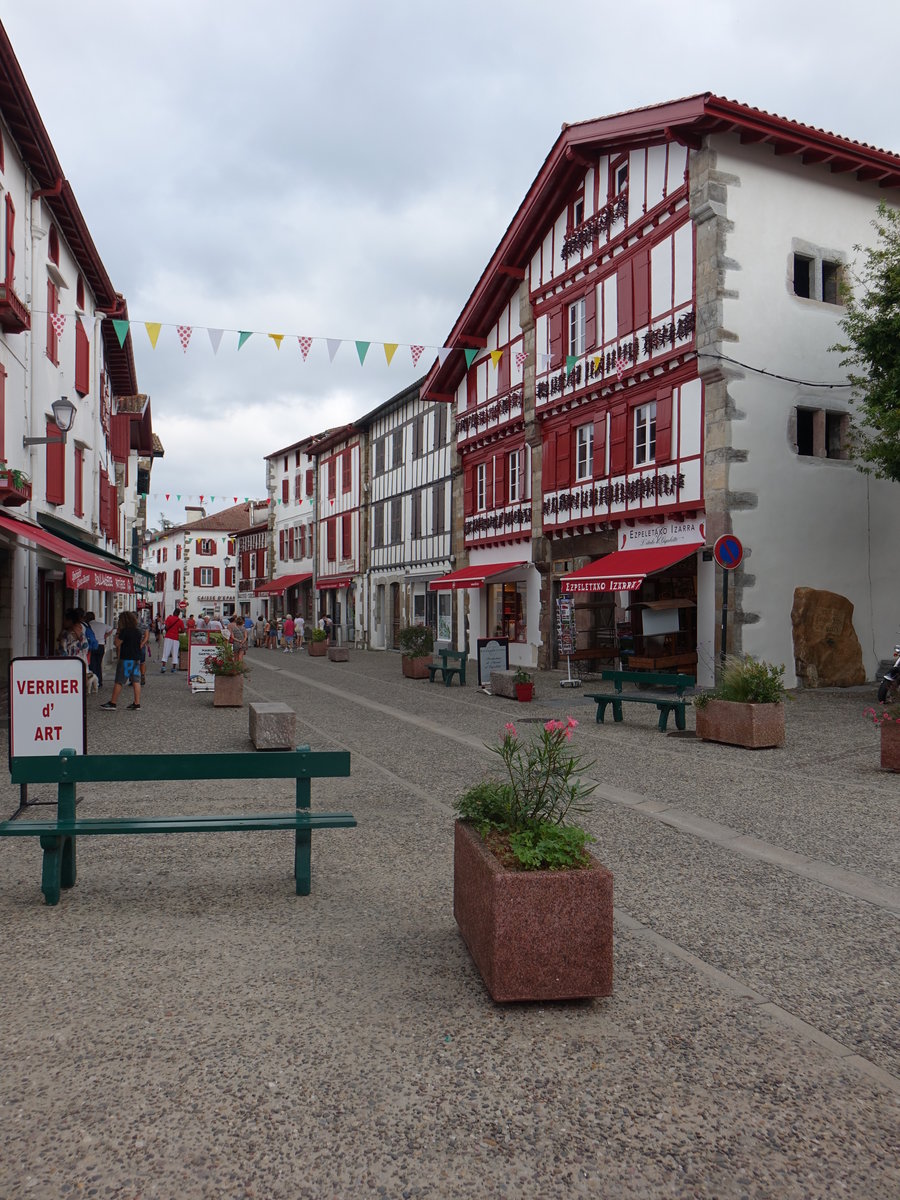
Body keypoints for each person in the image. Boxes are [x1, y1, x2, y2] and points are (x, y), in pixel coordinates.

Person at [101, 611, 143, 710]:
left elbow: (117, 643)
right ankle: (137, 703)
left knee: (119, 681)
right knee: (136, 680)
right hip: (136, 658)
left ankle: (113, 702)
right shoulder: (137, 631)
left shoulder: (125, 631)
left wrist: (118, 633)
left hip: (126, 659)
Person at [84, 611, 111, 687]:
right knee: (98, 664)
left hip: (92, 646)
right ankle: (99, 681)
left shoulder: (87, 626)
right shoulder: (101, 624)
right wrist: (106, 636)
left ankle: (92, 682)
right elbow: (111, 629)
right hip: (101, 646)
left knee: (92, 664)